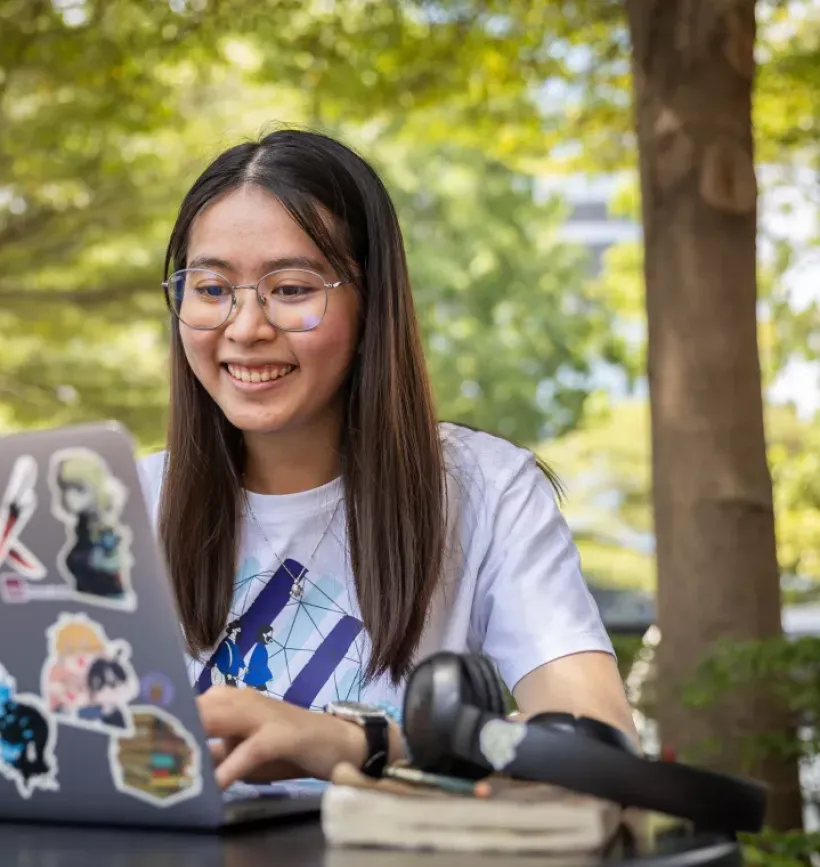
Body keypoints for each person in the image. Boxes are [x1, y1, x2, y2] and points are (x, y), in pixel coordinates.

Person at [136, 128, 638, 792]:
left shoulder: (486, 490)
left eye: (290, 289)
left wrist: (367, 742)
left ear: (371, 301)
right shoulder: (124, 503)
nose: (246, 327)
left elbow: (600, 749)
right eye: (210, 288)